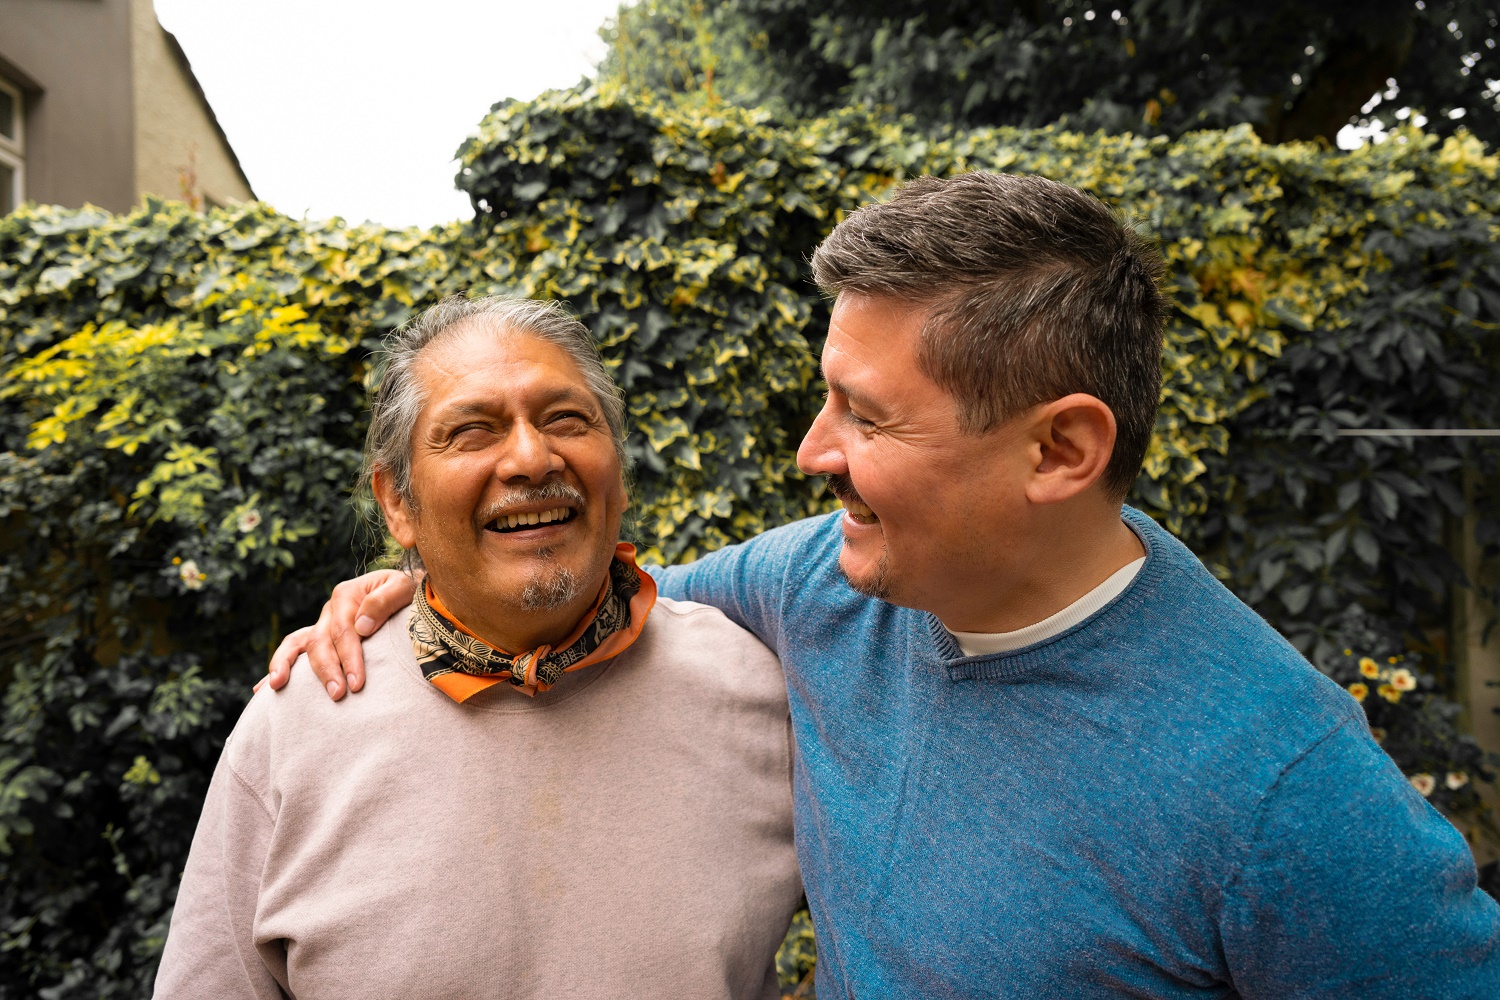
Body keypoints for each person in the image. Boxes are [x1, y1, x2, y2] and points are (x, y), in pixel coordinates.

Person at [267, 174, 1500, 997]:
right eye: (826, 394)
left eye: (865, 415)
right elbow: (589, 600)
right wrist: (414, 588)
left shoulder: (1285, 794)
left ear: (1059, 450)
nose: (813, 451)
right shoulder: (821, 583)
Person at [156, 297, 802, 1000]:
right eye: (471, 431)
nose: (531, 457)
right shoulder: (298, 726)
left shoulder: (759, 690)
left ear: (616, 471)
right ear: (397, 503)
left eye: (565, 419)